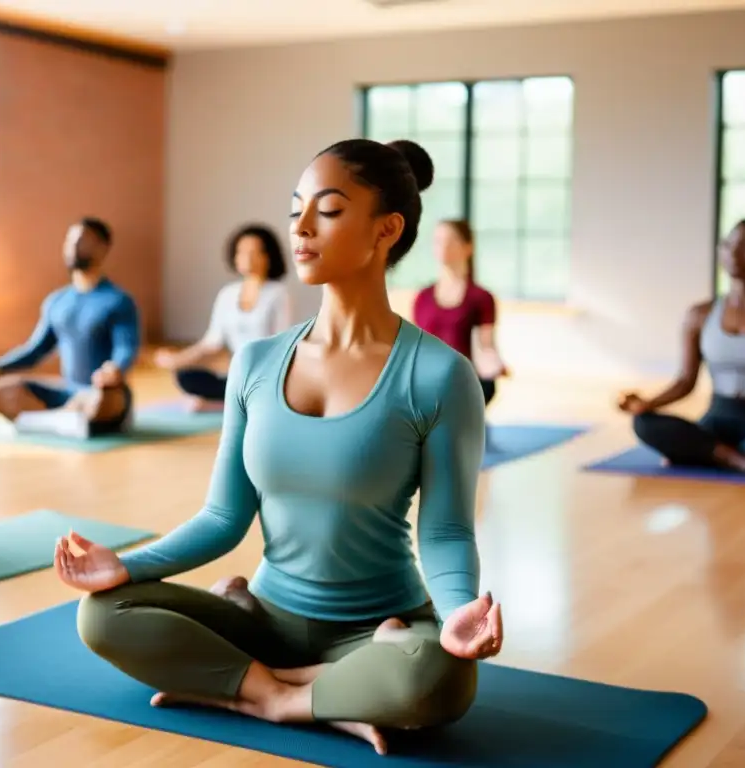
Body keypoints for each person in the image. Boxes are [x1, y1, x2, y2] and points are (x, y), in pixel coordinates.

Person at [53, 138, 502, 756]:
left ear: (387, 229)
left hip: (380, 626)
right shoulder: (257, 363)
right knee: (101, 614)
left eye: (329, 209)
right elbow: (222, 518)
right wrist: (128, 566)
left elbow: (447, 532)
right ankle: (303, 694)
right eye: (296, 210)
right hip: (265, 620)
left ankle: (264, 690)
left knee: (441, 678)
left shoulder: (439, 376)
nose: (301, 227)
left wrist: (456, 613)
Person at [619, 219, 745, 480]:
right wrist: (648, 403)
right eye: (728, 245)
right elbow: (684, 381)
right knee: (644, 423)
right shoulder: (699, 315)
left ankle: (709, 455)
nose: (734, 254)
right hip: (714, 423)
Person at [0, 218, 140, 438]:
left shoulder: (118, 301)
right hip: (67, 391)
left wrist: (114, 369)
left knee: (104, 398)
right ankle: (68, 419)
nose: (74, 247)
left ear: (103, 248)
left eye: (82, 241)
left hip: (98, 393)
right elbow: (35, 351)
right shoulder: (57, 301)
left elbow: (126, 348)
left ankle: (53, 420)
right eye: (70, 241)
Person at [154, 224, 291, 412]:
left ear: (269, 256)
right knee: (186, 376)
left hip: (266, 375)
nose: (247, 258)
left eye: (254, 252)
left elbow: (282, 344)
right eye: (241, 252)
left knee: (272, 388)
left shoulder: (278, 293)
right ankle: (236, 403)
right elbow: (212, 342)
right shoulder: (227, 294)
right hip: (235, 374)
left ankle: (226, 404)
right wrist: (178, 359)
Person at [412, 219, 507, 404]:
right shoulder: (422, 298)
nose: (444, 247)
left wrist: (494, 364)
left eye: (451, 241)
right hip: (428, 387)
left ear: (468, 248)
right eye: (438, 241)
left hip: (465, 386)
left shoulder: (481, 298)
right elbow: (416, 349)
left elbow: (486, 346)